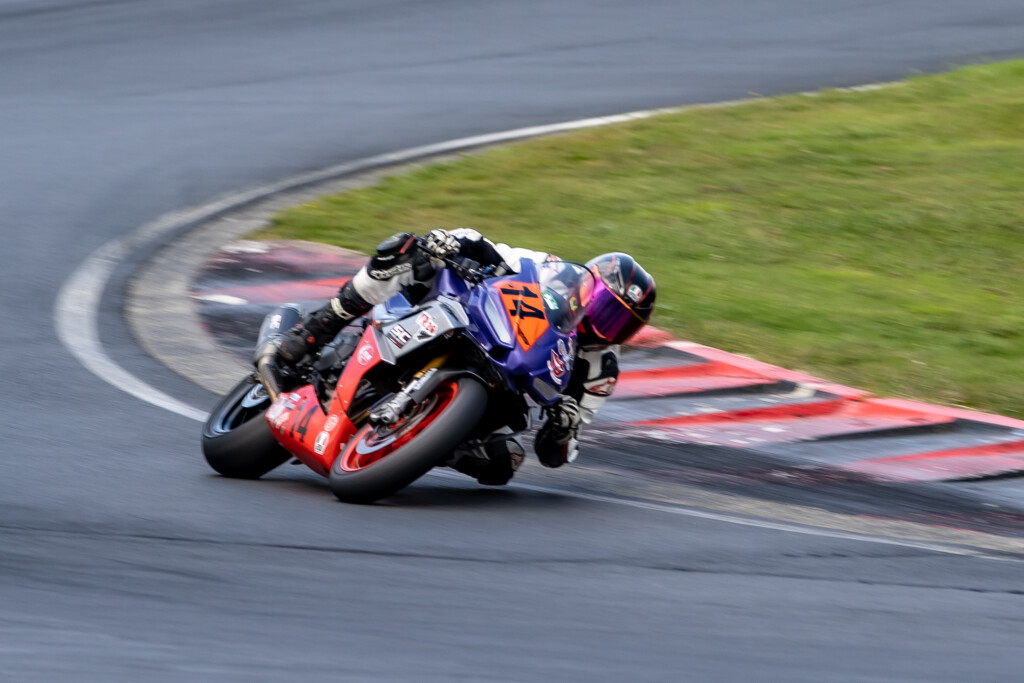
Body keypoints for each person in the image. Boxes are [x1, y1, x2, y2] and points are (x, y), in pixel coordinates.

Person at [264, 228, 656, 485]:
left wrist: (565, 428)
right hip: (466, 316)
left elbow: (556, 455)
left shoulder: (601, 370)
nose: (604, 325)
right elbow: (484, 245)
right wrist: (449, 243)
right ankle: (313, 332)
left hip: (504, 388)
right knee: (406, 251)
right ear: (587, 287)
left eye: (620, 323)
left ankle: (415, 443)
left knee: (503, 465)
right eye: (604, 308)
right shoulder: (546, 268)